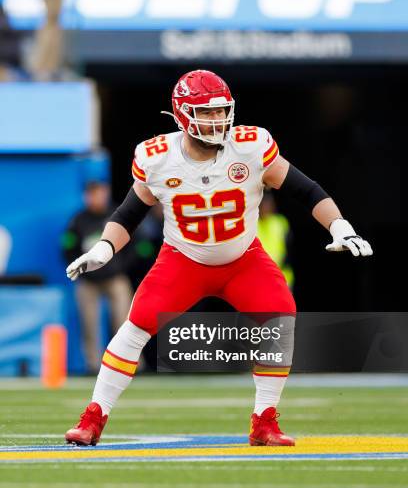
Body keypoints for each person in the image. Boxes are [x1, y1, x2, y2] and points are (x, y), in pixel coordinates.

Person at [64, 70, 372, 447]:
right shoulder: (157, 157)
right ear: (182, 114)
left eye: (221, 112)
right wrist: (103, 248)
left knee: (279, 316)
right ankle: (93, 418)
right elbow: (129, 213)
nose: (216, 121)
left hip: (243, 258)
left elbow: (305, 190)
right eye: (205, 113)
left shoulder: (251, 146)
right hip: (183, 260)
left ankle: (265, 421)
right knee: (137, 324)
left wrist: (339, 225)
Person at [62, 181, 133, 374]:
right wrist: (78, 268)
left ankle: (130, 364)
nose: (96, 198)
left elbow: (135, 244)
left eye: (99, 193)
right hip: (89, 281)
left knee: (126, 323)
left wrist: (121, 267)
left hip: (115, 277)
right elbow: (67, 246)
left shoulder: (117, 214)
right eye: (92, 194)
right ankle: (93, 365)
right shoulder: (78, 220)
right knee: (89, 324)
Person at [257, 193, 294, 288]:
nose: (266, 208)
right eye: (263, 205)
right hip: (260, 277)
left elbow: (289, 249)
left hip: (282, 275)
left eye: (269, 204)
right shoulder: (252, 224)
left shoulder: (281, 222)